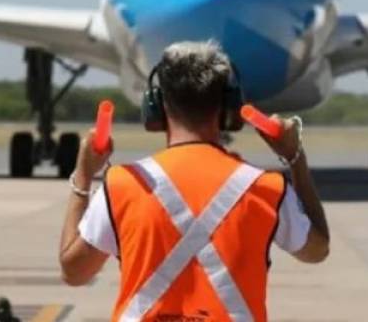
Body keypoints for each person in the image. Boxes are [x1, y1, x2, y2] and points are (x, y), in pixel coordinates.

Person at [59, 41, 330, 321]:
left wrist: (84, 175)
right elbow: (317, 250)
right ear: (228, 106)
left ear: (157, 105)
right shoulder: (266, 188)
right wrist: (295, 156)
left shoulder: (123, 185)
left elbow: (74, 271)